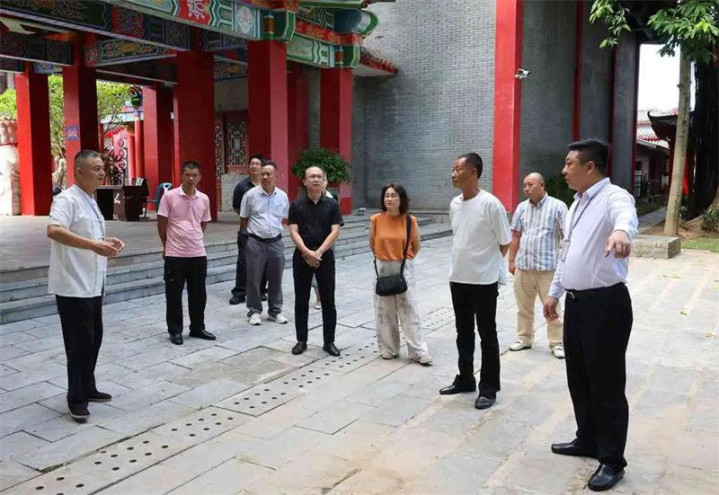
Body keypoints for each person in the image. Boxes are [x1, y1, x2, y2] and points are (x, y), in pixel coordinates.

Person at [543, 139, 637, 492]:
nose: (564, 170)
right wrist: (555, 292)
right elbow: (567, 252)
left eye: (569, 164)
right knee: (579, 377)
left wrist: (621, 231)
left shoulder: (614, 197)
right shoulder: (576, 204)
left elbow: (625, 216)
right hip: (577, 304)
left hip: (606, 305)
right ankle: (587, 438)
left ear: (590, 167)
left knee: (607, 383)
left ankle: (612, 459)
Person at [47, 149, 125, 421]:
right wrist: (94, 245)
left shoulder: (91, 201)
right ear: (79, 171)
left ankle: (88, 386)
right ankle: (76, 399)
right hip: (73, 285)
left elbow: (89, 236)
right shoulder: (66, 199)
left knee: (94, 338)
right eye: (96, 168)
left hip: (93, 283)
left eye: (102, 167)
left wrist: (105, 242)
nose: (102, 173)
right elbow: (54, 230)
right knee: (78, 344)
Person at [439, 152, 511, 410]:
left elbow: (504, 242)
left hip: (483, 281)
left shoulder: (491, 204)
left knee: (487, 335)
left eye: (457, 169)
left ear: (473, 172)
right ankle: (465, 378)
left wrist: (487, 266)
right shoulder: (454, 204)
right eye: (453, 169)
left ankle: (489, 388)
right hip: (458, 278)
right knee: (463, 333)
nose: (453, 174)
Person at [370, 183, 433, 365]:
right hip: (382, 267)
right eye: (387, 195)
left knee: (409, 309)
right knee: (384, 310)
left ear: (401, 199)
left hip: (403, 266)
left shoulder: (409, 221)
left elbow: (416, 245)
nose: (389, 199)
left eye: (394, 195)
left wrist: (403, 260)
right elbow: (372, 244)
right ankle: (388, 348)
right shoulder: (375, 220)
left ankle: (418, 351)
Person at [508, 172, 568, 359]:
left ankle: (556, 343)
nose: (526, 189)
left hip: (547, 269)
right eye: (524, 185)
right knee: (523, 307)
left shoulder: (557, 206)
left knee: (552, 308)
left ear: (542, 185)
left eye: (530, 185)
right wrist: (511, 260)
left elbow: (567, 236)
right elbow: (516, 235)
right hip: (524, 267)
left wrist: (565, 263)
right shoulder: (521, 208)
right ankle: (524, 338)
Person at [157, 161, 215, 345]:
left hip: (197, 252)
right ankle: (175, 330)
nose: (191, 178)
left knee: (198, 294)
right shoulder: (169, 196)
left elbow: (203, 223)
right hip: (175, 254)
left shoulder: (204, 199)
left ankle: (197, 327)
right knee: (174, 294)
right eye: (187, 175)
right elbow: (161, 222)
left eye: (194, 175)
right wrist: (166, 245)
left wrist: (192, 236)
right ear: (181, 176)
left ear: (200, 177)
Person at [288, 166, 343, 356]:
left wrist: (318, 253)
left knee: (328, 300)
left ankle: (329, 341)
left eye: (319, 176)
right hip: (301, 256)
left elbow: (335, 230)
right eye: (312, 176)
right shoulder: (296, 205)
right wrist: (306, 252)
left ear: (324, 180)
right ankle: (301, 340)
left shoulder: (332, 204)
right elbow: (293, 231)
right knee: (301, 299)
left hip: (324, 256)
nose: (316, 179)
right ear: (305, 181)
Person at [240, 161, 290, 326]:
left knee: (276, 278)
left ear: (276, 176)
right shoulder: (250, 195)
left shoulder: (282, 196)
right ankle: (254, 311)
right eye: (263, 174)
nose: (265, 177)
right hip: (256, 242)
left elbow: (284, 217)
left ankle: (275, 311)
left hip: (276, 242)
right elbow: (243, 219)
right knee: (253, 278)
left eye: (269, 174)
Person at [229, 154, 268, 305]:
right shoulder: (242, 187)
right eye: (252, 163)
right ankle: (240, 292)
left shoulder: (267, 185)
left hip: (263, 230)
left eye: (257, 164)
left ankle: (261, 290)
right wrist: (248, 218)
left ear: (262, 167)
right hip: (246, 229)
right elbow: (236, 207)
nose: (254, 166)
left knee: (264, 260)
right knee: (243, 261)